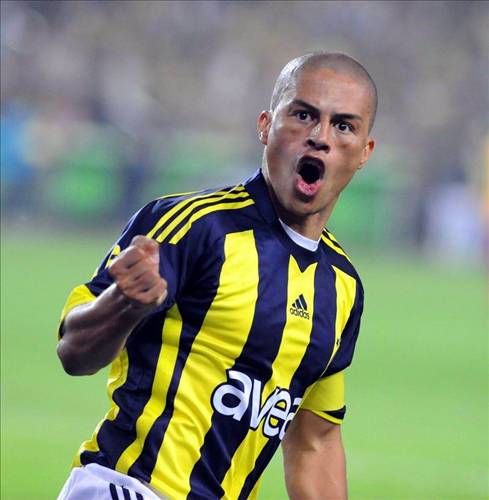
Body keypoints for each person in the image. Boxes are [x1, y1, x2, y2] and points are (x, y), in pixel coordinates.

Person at [56, 51, 376, 500]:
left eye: (343, 125)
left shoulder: (342, 288)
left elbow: (315, 441)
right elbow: (73, 351)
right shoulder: (195, 226)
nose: (320, 137)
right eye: (303, 115)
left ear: (364, 152)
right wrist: (122, 304)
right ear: (266, 125)